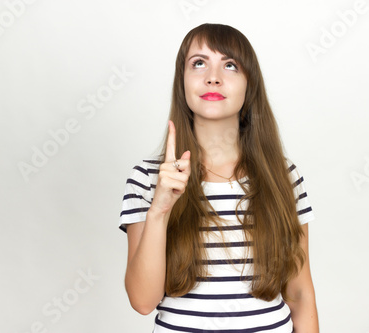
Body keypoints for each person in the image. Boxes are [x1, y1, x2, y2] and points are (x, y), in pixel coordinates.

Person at [119, 23, 319, 332]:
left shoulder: (284, 177)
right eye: (198, 63)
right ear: (182, 82)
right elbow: (143, 301)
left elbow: (300, 292)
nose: (213, 77)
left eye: (230, 65)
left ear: (248, 85)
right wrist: (159, 211)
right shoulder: (149, 178)